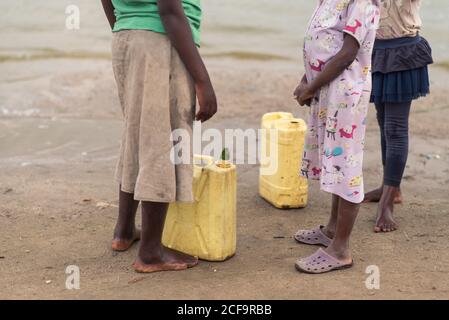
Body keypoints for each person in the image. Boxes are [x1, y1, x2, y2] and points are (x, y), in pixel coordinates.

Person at [101, 0, 217, 273]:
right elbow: (169, 11)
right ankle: (151, 252)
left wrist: (127, 26)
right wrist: (203, 81)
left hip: (127, 37)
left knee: (138, 135)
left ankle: (124, 230)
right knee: (161, 142)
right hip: (159, 41)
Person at [293, 0, 380, 274]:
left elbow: (346, 54)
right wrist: (306, 79)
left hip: (345, 92)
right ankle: (332, 229)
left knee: (347, 166)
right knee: (335, 159)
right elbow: (324, 43)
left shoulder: (364, 3)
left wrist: (312, 85)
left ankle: (341, 249)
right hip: (328, 88)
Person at [363, 0, 433, 233]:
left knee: (395, 128)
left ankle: (387, 202)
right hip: (376, 50)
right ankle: (391, 187)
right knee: (383, 122)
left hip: (403, 51)